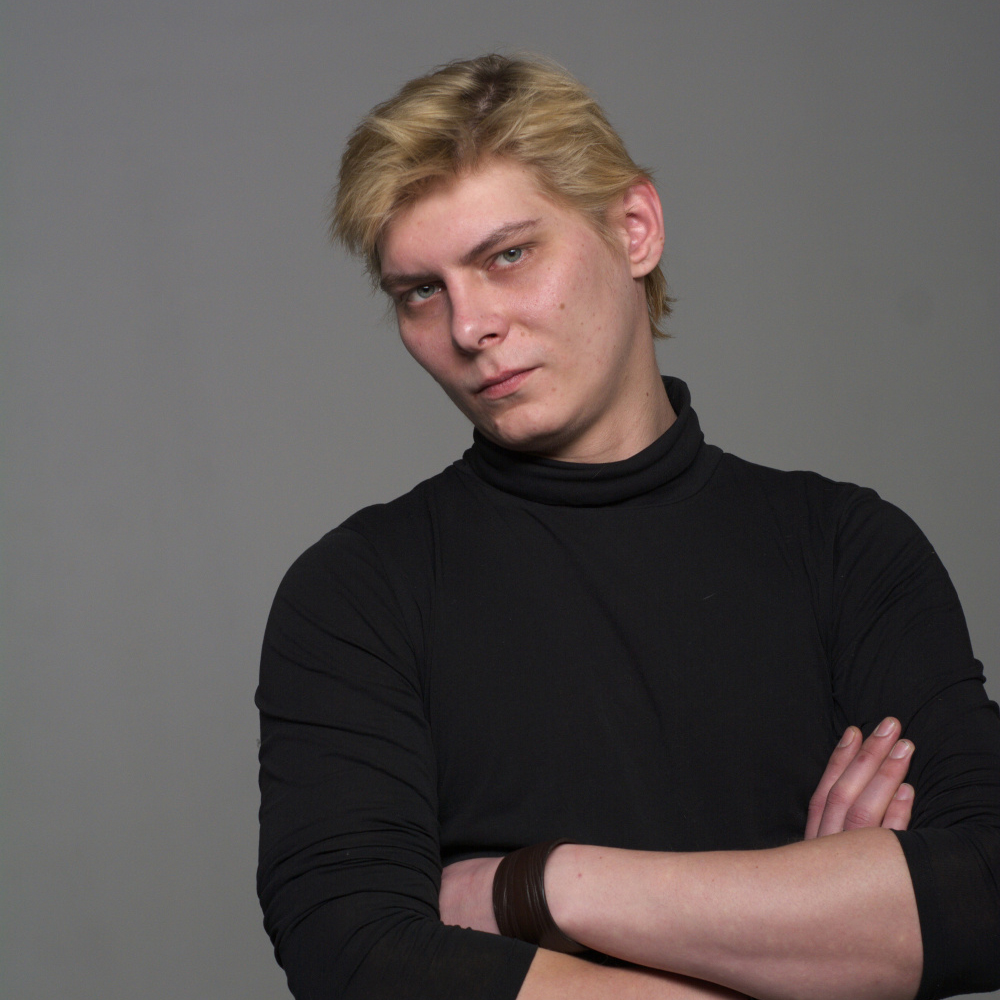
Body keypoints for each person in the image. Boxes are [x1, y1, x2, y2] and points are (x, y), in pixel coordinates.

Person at [256, 54, 1000, 1000]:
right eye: (420, 292)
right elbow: (360, 962)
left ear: (634, 228)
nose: (469, 326)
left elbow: (983, 894)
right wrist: (816, 932)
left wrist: (540, 886)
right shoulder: (358, 592)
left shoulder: (848, 549)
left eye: (507, 255)